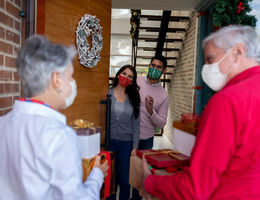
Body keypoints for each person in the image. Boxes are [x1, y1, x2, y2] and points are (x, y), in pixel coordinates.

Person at [139, 25, 260, 199]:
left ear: (238, 52)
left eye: (211, 59)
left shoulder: (227, 101)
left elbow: (195, 188)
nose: (207, 68)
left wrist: (149, 182)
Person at [0, 35, 108, 200]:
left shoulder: (3, 123)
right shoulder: (59, 136)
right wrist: (97, 175)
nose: (72, 82)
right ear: (57, 79)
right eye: (71, 76)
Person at [131, 54, 169, 200]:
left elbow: (161, 124)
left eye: (158, 67)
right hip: (128, 135)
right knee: (124, 171)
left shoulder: (164, 95)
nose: (154, 69)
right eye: (152, 65)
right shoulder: (137, 81)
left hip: (145, 140)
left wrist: (151, 111)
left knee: (140, 175)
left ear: (164, 71)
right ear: (149, 66)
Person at [107, 65, 140, 200]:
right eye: (124, 74)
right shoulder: (107, 92)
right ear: (118, 74)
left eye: (130, 76)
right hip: (109, 142)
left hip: (126, 145)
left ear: (132, 81)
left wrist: (135, 146)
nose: (126, 77)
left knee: (125, 182)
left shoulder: (134, 98)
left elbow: (136, 125)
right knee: (110, 181)